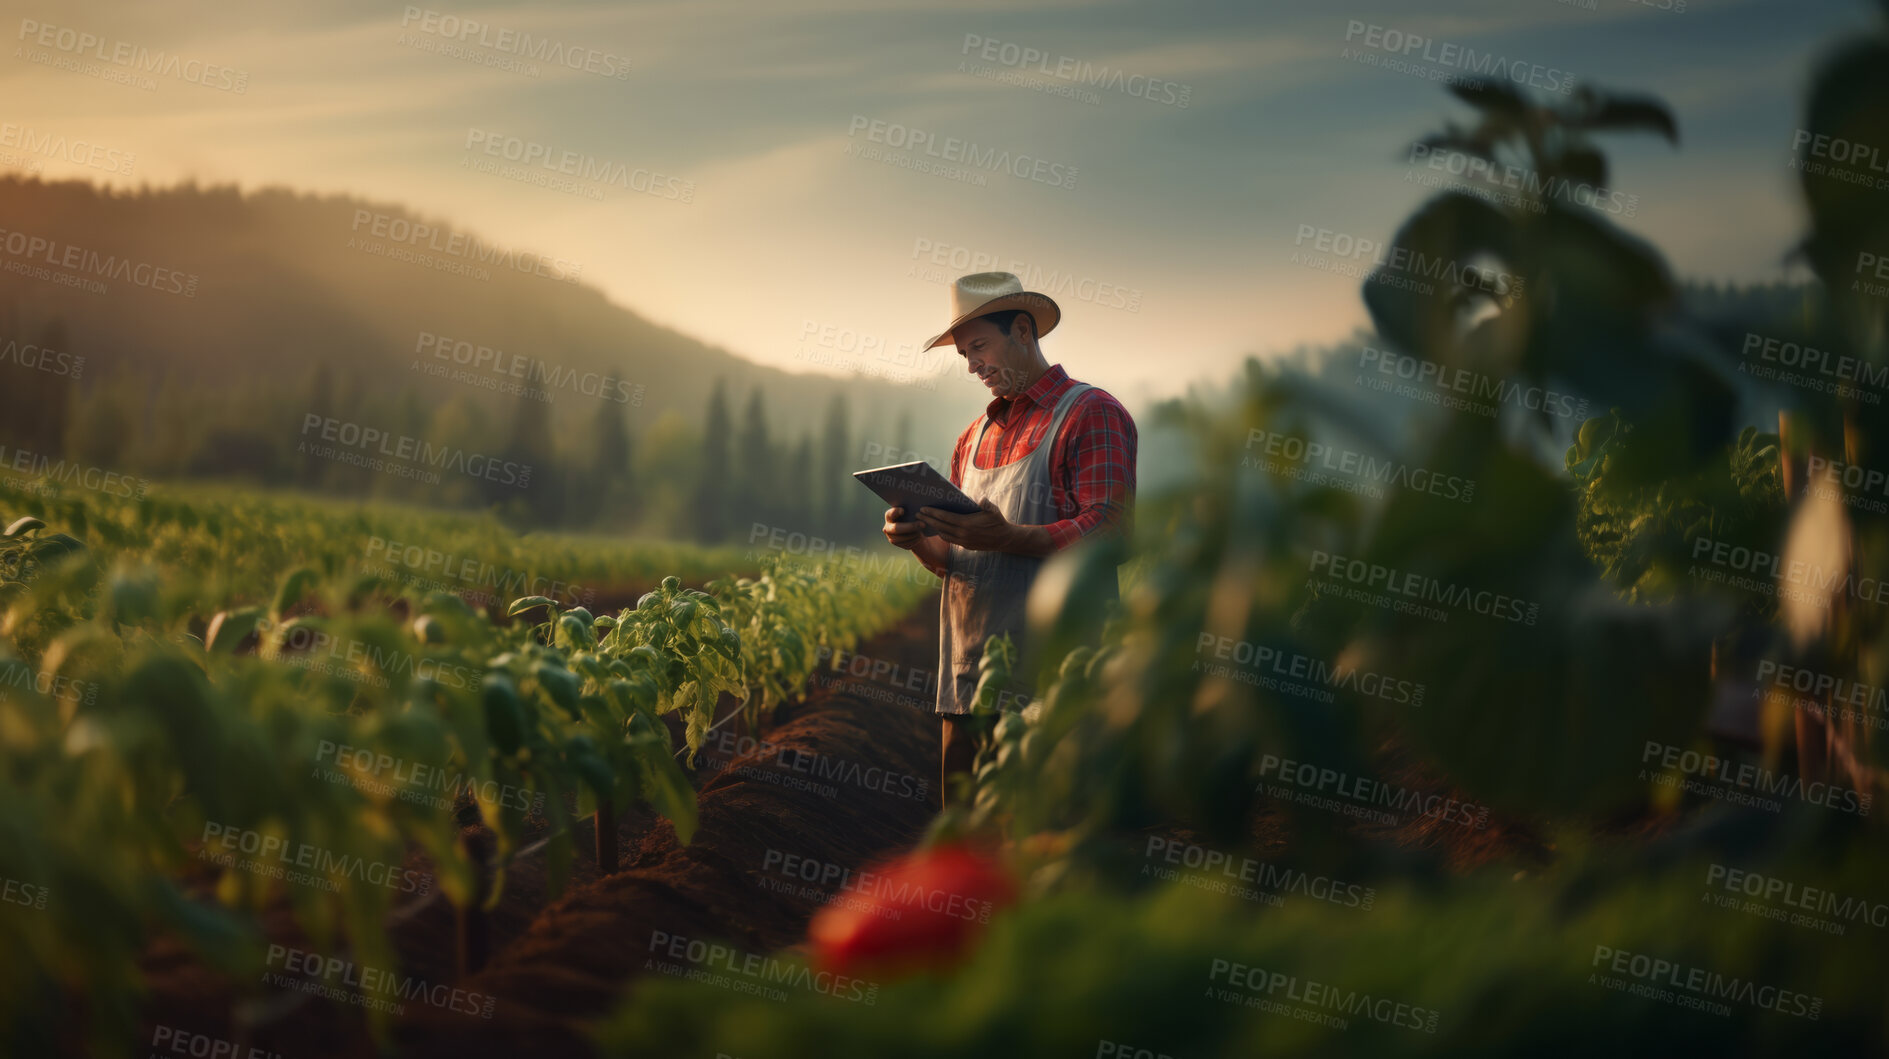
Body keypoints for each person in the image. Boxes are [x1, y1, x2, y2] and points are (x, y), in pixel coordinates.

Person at [882, 271, 1137, 807]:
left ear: (1023, 330)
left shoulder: (1091, 413)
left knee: (1045, 838)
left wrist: (1006, 536)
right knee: (966, 844)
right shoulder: (970, 439)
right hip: (968, 677)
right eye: (964, 355)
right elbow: (956, 562)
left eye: (979, 346)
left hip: (1059, 680)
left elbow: (1110, 530)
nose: (972, 364)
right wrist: (915, 540)